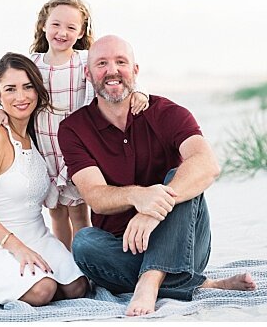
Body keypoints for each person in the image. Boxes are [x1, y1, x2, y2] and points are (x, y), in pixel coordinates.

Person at [58, 36, 256, 317]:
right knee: (84, 243)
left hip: (184, 241)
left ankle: (150, 280)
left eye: (121, 62)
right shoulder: (74, 129)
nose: (112, 70)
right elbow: (96, 197)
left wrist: (153, 211)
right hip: (122, 249)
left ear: (135, 71)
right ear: (88, 74)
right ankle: (203, 284)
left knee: (181, 175)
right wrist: (139, 196)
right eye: (102, 63)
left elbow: (207, 164)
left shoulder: (166, 112)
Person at [0, 0, 148, 249]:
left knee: (79, 212)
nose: (62, 32)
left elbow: (112, 80)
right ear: (43, 26)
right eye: (56, 25)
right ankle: (66, 262)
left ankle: (85, 261)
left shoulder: (84, 60)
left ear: (81, 32)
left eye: (71, 27)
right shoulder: (33, 64)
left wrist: (139, 92)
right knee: (57, 212)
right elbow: (17, 94)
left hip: (77, 149)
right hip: (46, 149)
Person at [0, 53, 89, 305]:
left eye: (28, 87)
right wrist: (16, 247)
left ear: (37, 90)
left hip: (37, 236)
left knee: (78, 287)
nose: (21, 97)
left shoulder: (37, 132)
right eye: (10, 89)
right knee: (43, 290)